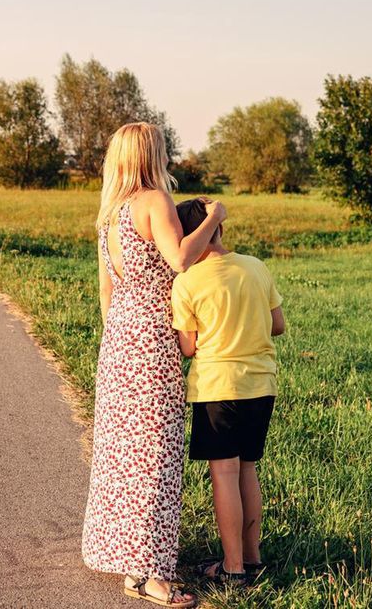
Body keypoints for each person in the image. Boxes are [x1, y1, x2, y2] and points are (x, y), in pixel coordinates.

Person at [81, 122, 225, 608]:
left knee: (123, 454)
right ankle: (150, 577)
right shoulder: (154, 202)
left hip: (119, 339)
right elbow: (181, 258)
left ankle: (129, 559)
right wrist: (215, 216)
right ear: (152, 155)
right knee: (155, 456)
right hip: (152, 337)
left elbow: (106, 292)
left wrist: (119, 338)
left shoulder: (109, 216)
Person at [169, 198, 286, 589]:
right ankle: (253, 559)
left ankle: (232, 568)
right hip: (260, 384)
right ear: (218, 229)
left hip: (217, 388)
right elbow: (278, 325)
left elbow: (188, 347)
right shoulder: (256, 266)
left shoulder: (186, 283)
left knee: (224, 474)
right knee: (249, 470)